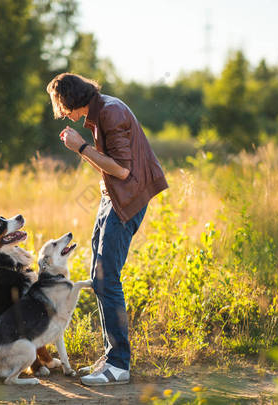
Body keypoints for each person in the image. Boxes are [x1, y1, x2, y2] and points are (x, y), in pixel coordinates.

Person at [46, 73, 168, 386]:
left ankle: (118, 366)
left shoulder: (110, 114)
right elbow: (107, 164)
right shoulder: (100, 113)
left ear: (72, 100)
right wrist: (85, 149)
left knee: (107, 278)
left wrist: (81, 147)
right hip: (110, 198)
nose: (62, 114)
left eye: (61, 107)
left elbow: (122, 170)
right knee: (99, 276)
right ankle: (111, 357)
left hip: (126, 201)